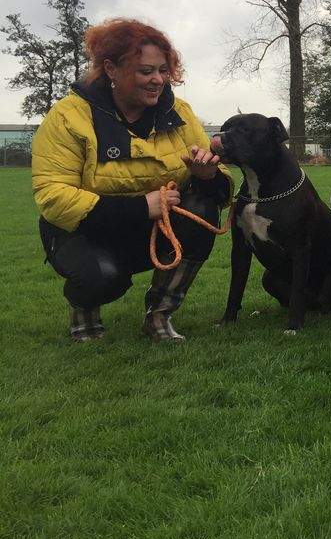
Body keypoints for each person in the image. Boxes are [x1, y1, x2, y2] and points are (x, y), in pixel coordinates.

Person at [32, 18, 232, 342]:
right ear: (111, 69)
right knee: (104, 277)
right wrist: (142, 208)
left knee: (202, 207)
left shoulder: (180, 113)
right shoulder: (68, 117)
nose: (158, 80)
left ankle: (159, 316)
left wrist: (208, 176)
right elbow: (52, 195)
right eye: (146, 71)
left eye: (163, 71)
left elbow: (220, 187)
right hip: (82, 232)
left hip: (151, 229)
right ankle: (85, 306)